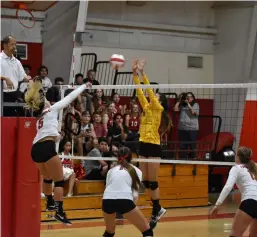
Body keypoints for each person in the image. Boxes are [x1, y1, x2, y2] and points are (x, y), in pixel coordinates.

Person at [25, 78, 91, 225]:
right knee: (59, 181)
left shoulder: (39, 117)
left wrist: (57, 137)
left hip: (35, 149)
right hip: (46, 147)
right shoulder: (52, 109)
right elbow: (68, 98)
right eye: (47, 100)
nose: (49, 101)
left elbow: (49, 134)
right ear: (45, 103)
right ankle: (60, 212)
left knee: (47, 177)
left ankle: (49, 203)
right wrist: (82, 87)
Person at [132, 58, 172, 229]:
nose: (153, 95)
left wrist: (143, 73)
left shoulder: (159, 108)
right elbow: (140, 92)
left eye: (156, 95)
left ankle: (156, 209)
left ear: (161, 100)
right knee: (146, 182)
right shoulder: (147, 107)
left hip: (154, 146)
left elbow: (148, 90)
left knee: (153, 182)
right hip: (143, 143)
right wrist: (134, 74)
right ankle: (157, 208)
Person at [209, 147, 257, 237]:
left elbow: (228, 186)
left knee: (235, 235)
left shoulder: (236, 168)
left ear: (238, 157)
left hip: (250, 202)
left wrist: (217, 204)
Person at [102, 146, 153, 237]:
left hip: (107, 201)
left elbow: (108, 188)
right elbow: (134, 194)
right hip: (125, 201)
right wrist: (129, 208)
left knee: (109, 233)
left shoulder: (111, 171)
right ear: (131, 157)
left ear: (118, 157)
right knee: (147, 232)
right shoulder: (136, 171)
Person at [1, 35, 31, 116]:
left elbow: (23, 76)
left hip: (14, 93)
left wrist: (30, 80)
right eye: (12, 44)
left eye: (15, 44)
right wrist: (5, 78)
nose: (14, 47)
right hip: (2, 94)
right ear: (5, 45)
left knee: (25, 110)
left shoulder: (16, 61)